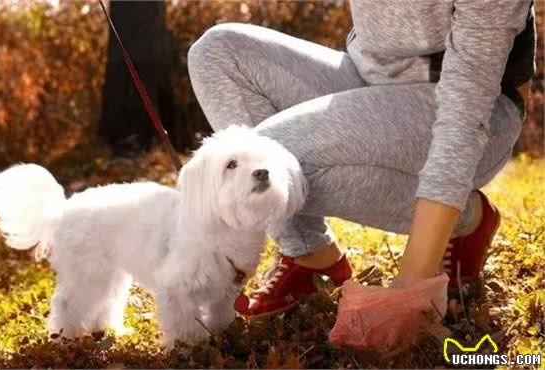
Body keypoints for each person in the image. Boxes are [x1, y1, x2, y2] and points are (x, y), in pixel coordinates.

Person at [187, 0, 535, 348]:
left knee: (271, 162)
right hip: (364, 75)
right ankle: (309, 251)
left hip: (475, 106)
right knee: (216, 54)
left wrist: (411, 289)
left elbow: (465, 112)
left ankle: (466, 217)